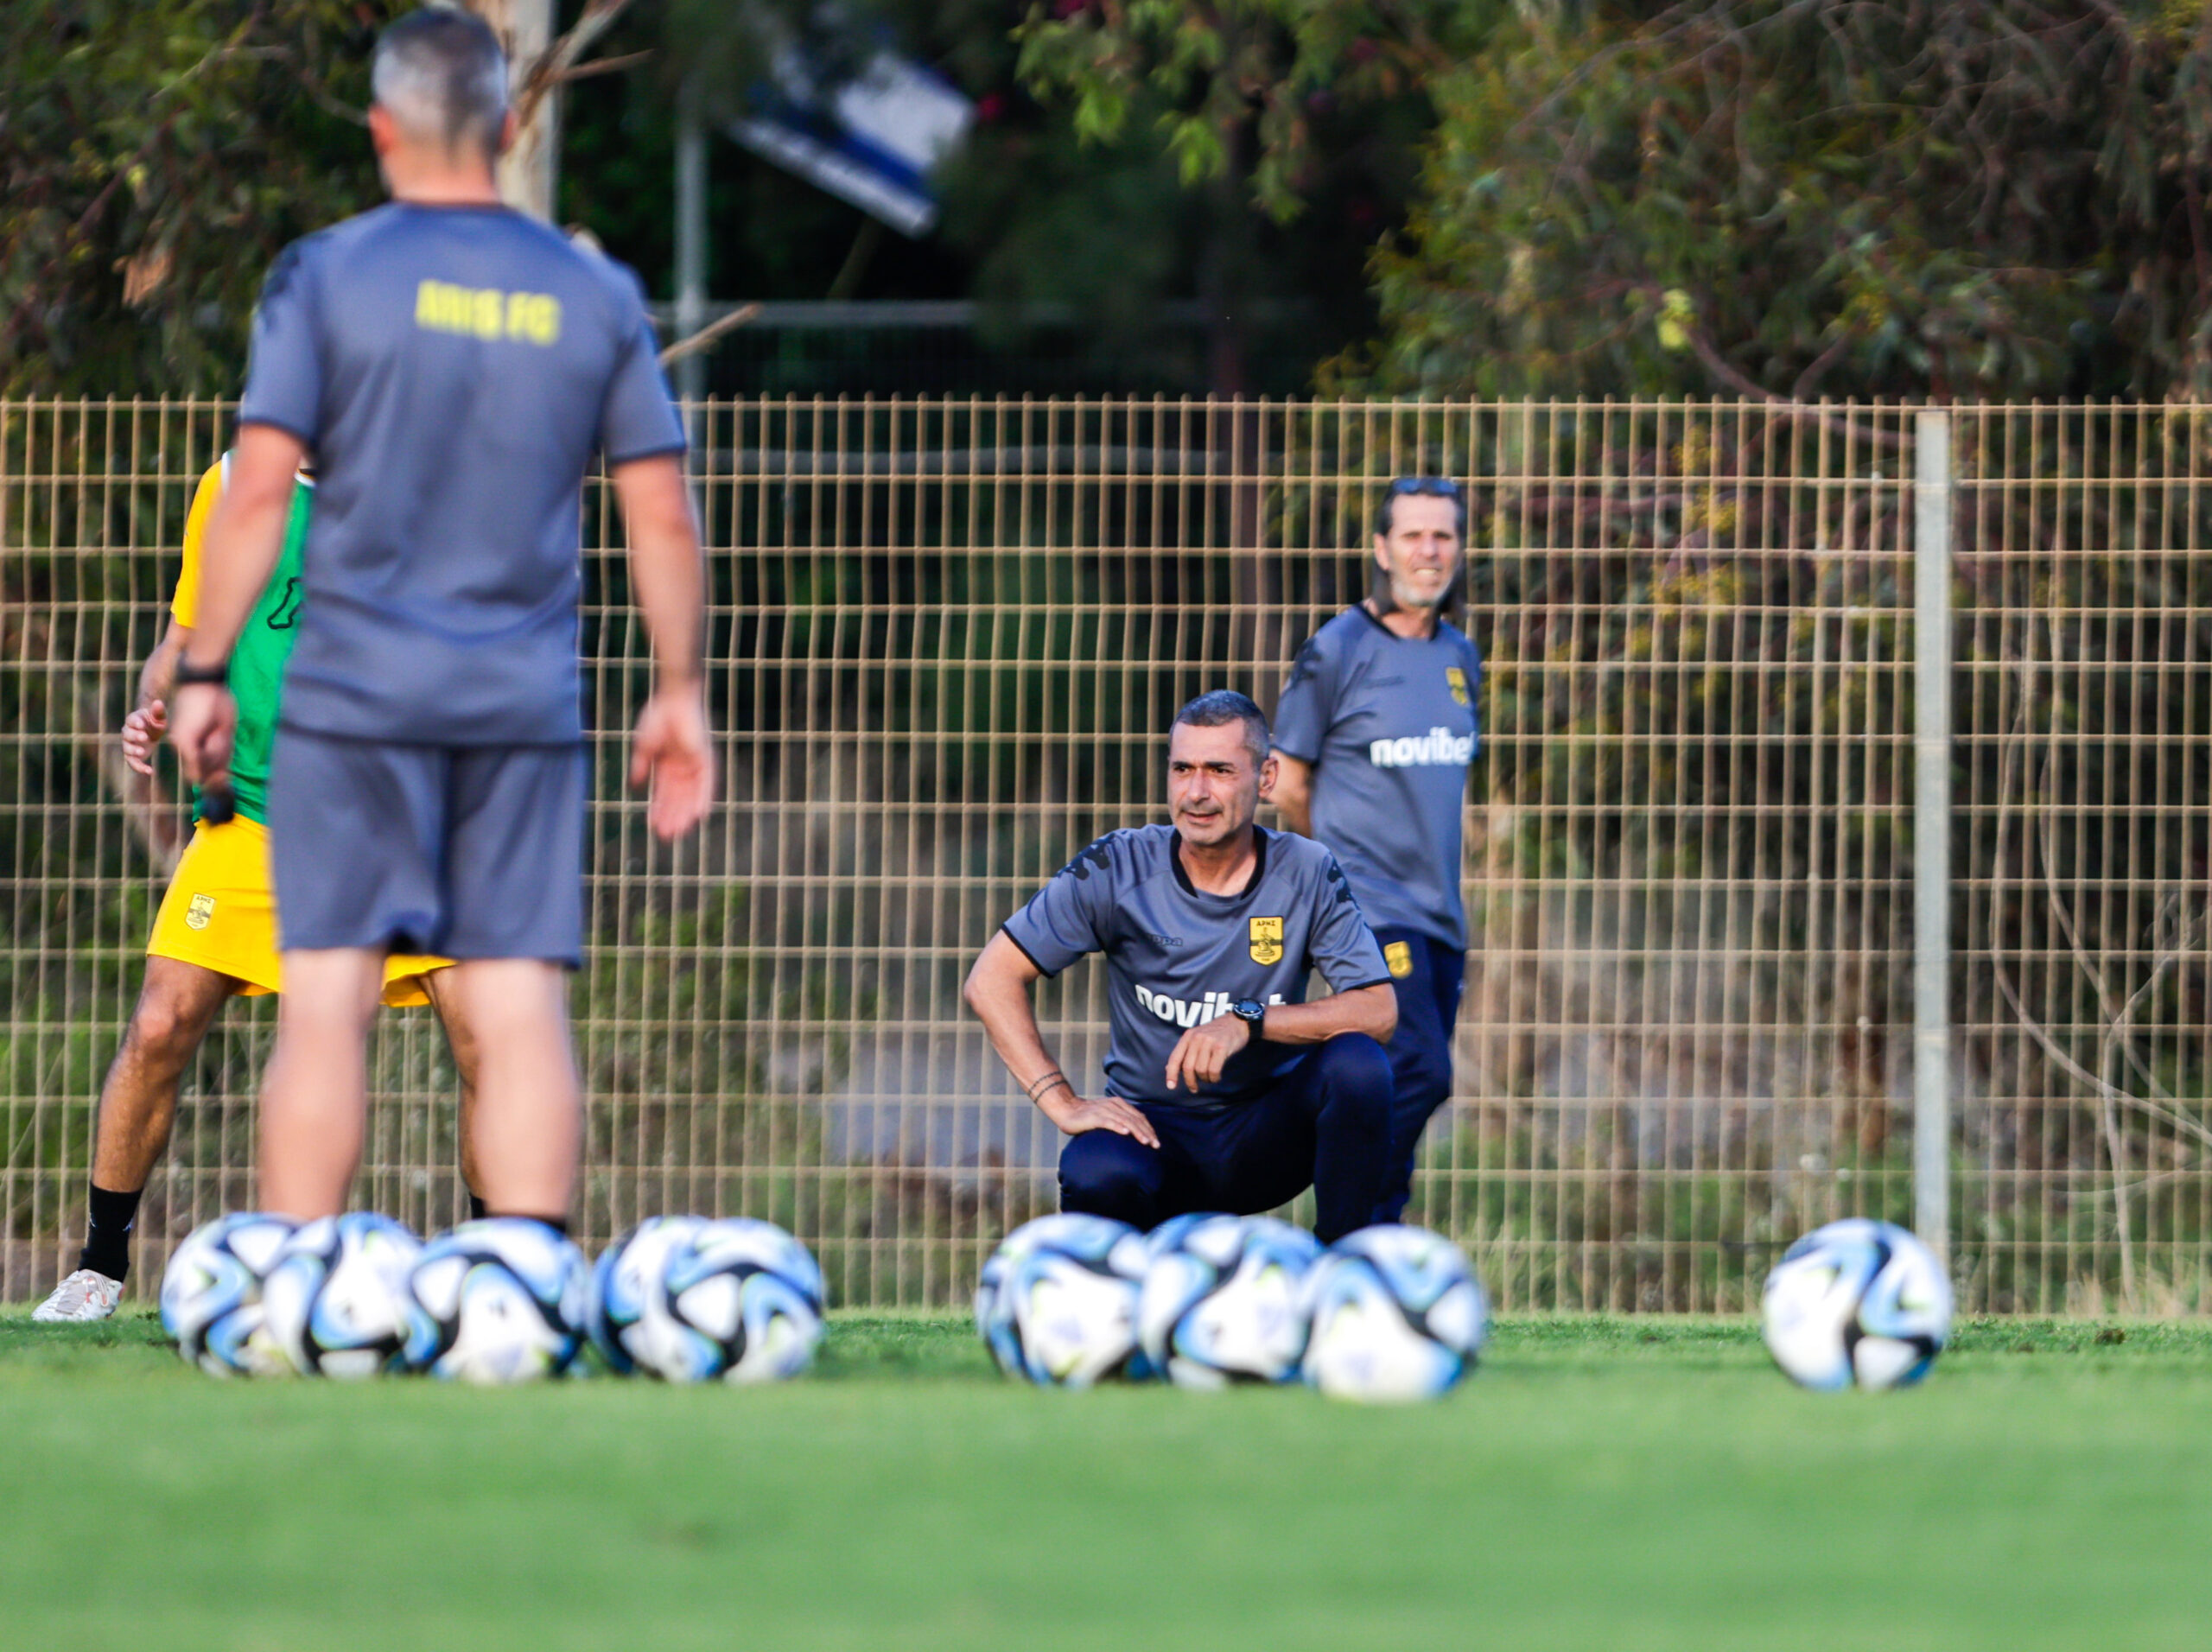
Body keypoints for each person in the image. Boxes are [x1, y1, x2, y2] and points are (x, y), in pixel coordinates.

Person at [167, 8, 713, 1229]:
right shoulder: (591, 289)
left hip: (351, 706)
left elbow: (259, 491)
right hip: (512, 708)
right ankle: (520, 1291)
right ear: (510, 125)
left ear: (381, 133)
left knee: (326, 1012)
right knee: (517, 1009)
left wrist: (203, 669)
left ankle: (299, 1306)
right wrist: (678, 690)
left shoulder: (327, 277)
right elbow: (662, 516)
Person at [34, 455, 481, 1322]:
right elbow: (182, 640)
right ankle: (97, 1269)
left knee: (486, 1033)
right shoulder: (232, 484)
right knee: (160, 1019)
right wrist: (152, 705)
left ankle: (502, 1273)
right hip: (251, 825)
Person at [963, 690, 1397, 1244]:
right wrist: (1061, 1101)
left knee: (1359, 1064)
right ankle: (1116, 1307)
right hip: (1153, 1134)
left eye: (1219, 770)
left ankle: (1342, 1281)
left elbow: (1378, 1009)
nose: (1197, 792)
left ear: (1265, 778)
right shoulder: (1118, 865)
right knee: (1096, 1170)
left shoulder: (1308, 870)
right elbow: (991, 980)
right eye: (1182, 769)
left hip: (1264, 1137)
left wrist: (1248, 1020)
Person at [1270, 476, 1482, 1224]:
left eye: (1443, 535)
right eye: (1413, 535)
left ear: (1457, 549)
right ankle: (1347, 1231)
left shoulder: (1460, 656)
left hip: (1440, 914)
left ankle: (1372, 1248)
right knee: (1419, 1065)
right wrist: (1331, 877)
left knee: (1408, 1079)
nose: (1429, 550)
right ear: (1381, 549)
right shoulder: (1338, 649)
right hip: (1369, 905)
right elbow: (1289, 782)